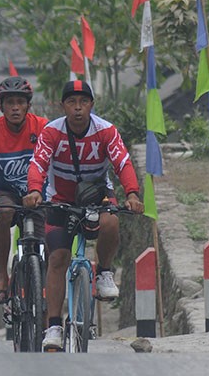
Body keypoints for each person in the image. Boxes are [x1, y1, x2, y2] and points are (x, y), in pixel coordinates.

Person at [23, 80, 144, 351]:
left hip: (97, 195)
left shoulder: (106, 131)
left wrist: (133, 194)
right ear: (62, 105)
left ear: (91, 105)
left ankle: (103, 272)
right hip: (60, 199)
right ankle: (53, 325)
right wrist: (33, 190)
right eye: (72, 103)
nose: (78, 109)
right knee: (57, 258)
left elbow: (122, 162)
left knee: (111, 220)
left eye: (83, 102)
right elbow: (38, 163)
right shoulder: (51, 132)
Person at [0, 76, 48, 305]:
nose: (15, 107)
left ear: (28, 105)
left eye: (20, 101)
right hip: (6, 192)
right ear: (1, 107)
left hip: (38, 194)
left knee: (46, 243)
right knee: (4, 212)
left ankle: (42, 291)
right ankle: (1, 278)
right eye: (9, 102)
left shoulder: (44, 127)